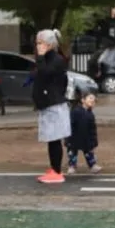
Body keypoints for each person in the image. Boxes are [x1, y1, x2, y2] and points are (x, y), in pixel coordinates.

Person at [32, 29, 70, 184]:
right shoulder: (47, 58)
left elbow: (45, 74)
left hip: (54, 104)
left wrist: (40, 58)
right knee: (51, 139)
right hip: (47, 103)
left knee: (54, 139)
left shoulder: (56, 60)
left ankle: (57, 171)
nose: (37, 46)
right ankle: (54, 168)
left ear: (48, 44)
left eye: (40, 43)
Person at [66, 91, 101, 174]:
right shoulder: (75, 111)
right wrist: (68, 138)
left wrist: (94, 140)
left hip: (86, 138)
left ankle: (92, 165)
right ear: (83, 100)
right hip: (74, 137)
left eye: (94, 99)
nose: (92, 100)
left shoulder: (90, 114)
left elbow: (93, 129)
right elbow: (70, 124)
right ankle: (72, 166)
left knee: (89, 152)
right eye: (90, 98)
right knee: (72, 153)